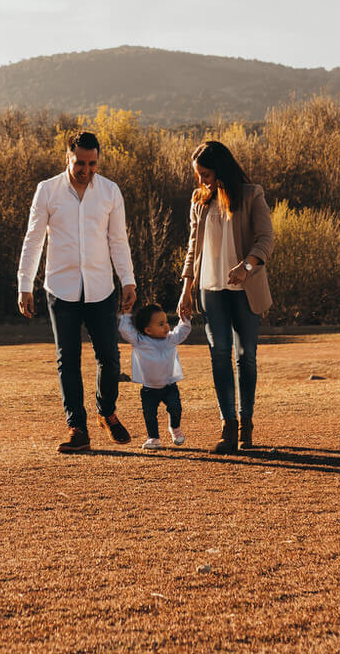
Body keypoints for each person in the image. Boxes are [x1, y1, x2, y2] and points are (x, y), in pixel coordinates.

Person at [18, 131, 138, 454]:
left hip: (101, 289)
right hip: (61, 289)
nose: (86, 170)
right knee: (67, 360)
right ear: (67, 159)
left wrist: (128, 280)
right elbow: (33, 240)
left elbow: (118, 241)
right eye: (80, 163)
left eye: (92, 163)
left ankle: (106, 411)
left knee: (110, 359)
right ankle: (77, 427)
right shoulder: (47, 191)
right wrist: (24, 284)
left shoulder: (110, 192)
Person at [176, 140, 275, 455]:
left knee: (245, 357)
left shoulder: (251, 194)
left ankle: (246, 424)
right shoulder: (199, 201)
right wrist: (186, 290)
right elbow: (193, 247)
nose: (201, 180)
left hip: (245, 289)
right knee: (219, 354)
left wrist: (246, 267)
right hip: (210, 288)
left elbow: (265, 239)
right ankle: (228, 427)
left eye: (205, 173)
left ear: (221, 169)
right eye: (198, 175)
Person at [118, 303, 192, 449]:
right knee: (150, 415)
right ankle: (153, 438)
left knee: (176, 408)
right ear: (148, 330)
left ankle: (175, 428)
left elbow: (182, 331)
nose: (166, 326)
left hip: (170, 386)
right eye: (161, 324)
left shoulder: (170, 339)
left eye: (166, 322)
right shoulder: (140, 341)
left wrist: (185, 319)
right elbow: (125, 330)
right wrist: (126, 315)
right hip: (149, 389)